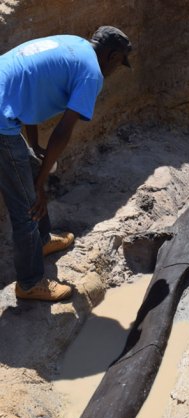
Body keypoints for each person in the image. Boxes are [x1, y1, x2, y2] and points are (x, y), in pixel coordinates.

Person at [0, 26, 132, 301]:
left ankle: (43, 241)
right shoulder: (91, 74)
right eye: (120, 63)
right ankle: (29, 283)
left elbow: (29, 92)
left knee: (34, 165)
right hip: (2, 122)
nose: (117, 69)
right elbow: (63, 132)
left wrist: (34, 148)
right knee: (26, 206)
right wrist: (39, 185)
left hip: (5, 102)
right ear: (112, 55)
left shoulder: (74, 44)